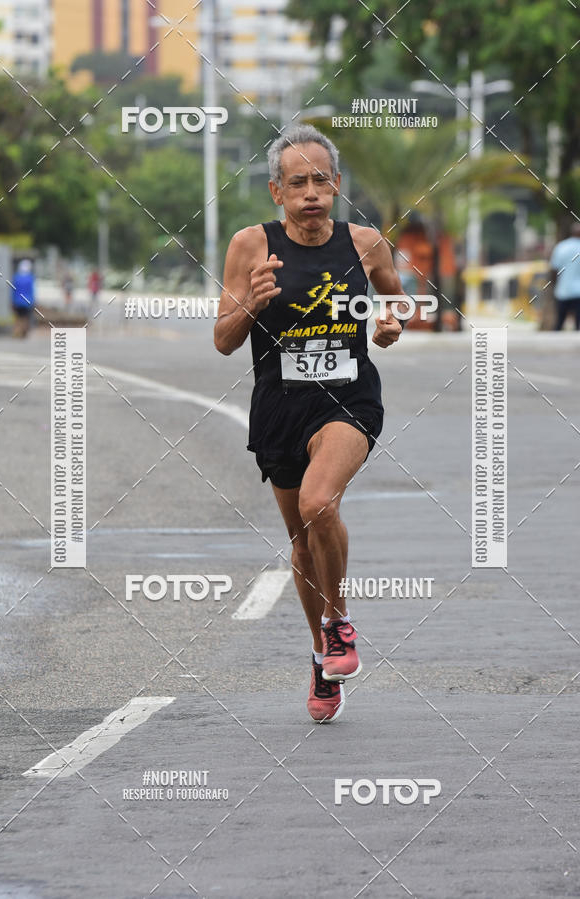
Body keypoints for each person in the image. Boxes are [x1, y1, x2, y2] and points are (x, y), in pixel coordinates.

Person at [214, 124, 405, 723]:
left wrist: (391, 323)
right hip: (279, 406)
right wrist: (253, 300)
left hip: (348, 398)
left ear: (338, 185)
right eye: (297, 182)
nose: (311, 192)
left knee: (320, 505)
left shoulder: (366, 242)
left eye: (321, 180)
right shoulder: (250, 245)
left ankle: (338, 622)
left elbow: (397, 298)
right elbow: (223, 341)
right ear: (277, 191)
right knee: (301, 539)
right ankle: (322, 656)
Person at [549, 222, 580, 330]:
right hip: (578, 293)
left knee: (559, 322)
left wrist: (554, 287)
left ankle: (554, 344)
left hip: (563, 291)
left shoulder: (561, 247)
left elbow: (554, 270)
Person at [11, 259, 35, 338]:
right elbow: (32, 291)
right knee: (25, 317)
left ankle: (17, 331)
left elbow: (13, 290)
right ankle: (24, 332)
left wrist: (12, 300)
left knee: (18, 317)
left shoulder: (16, 277)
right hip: (27, 301)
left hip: (17, 301)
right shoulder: (30, 278)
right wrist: (33, 301)